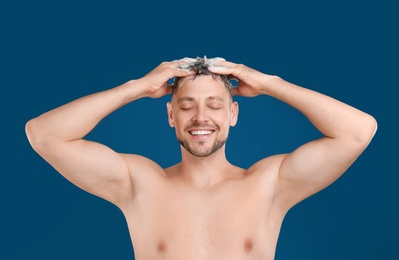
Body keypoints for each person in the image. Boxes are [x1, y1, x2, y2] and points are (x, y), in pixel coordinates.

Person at [25, 56, 377, 259]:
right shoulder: (138, 183)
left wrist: (269, 82)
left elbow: (358, 131)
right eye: (187, 105)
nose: (201, 118)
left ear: (234, 113)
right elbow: (43, 134)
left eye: (214, 104)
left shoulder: (269, 184)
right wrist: (138, 86)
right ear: (170, 115)